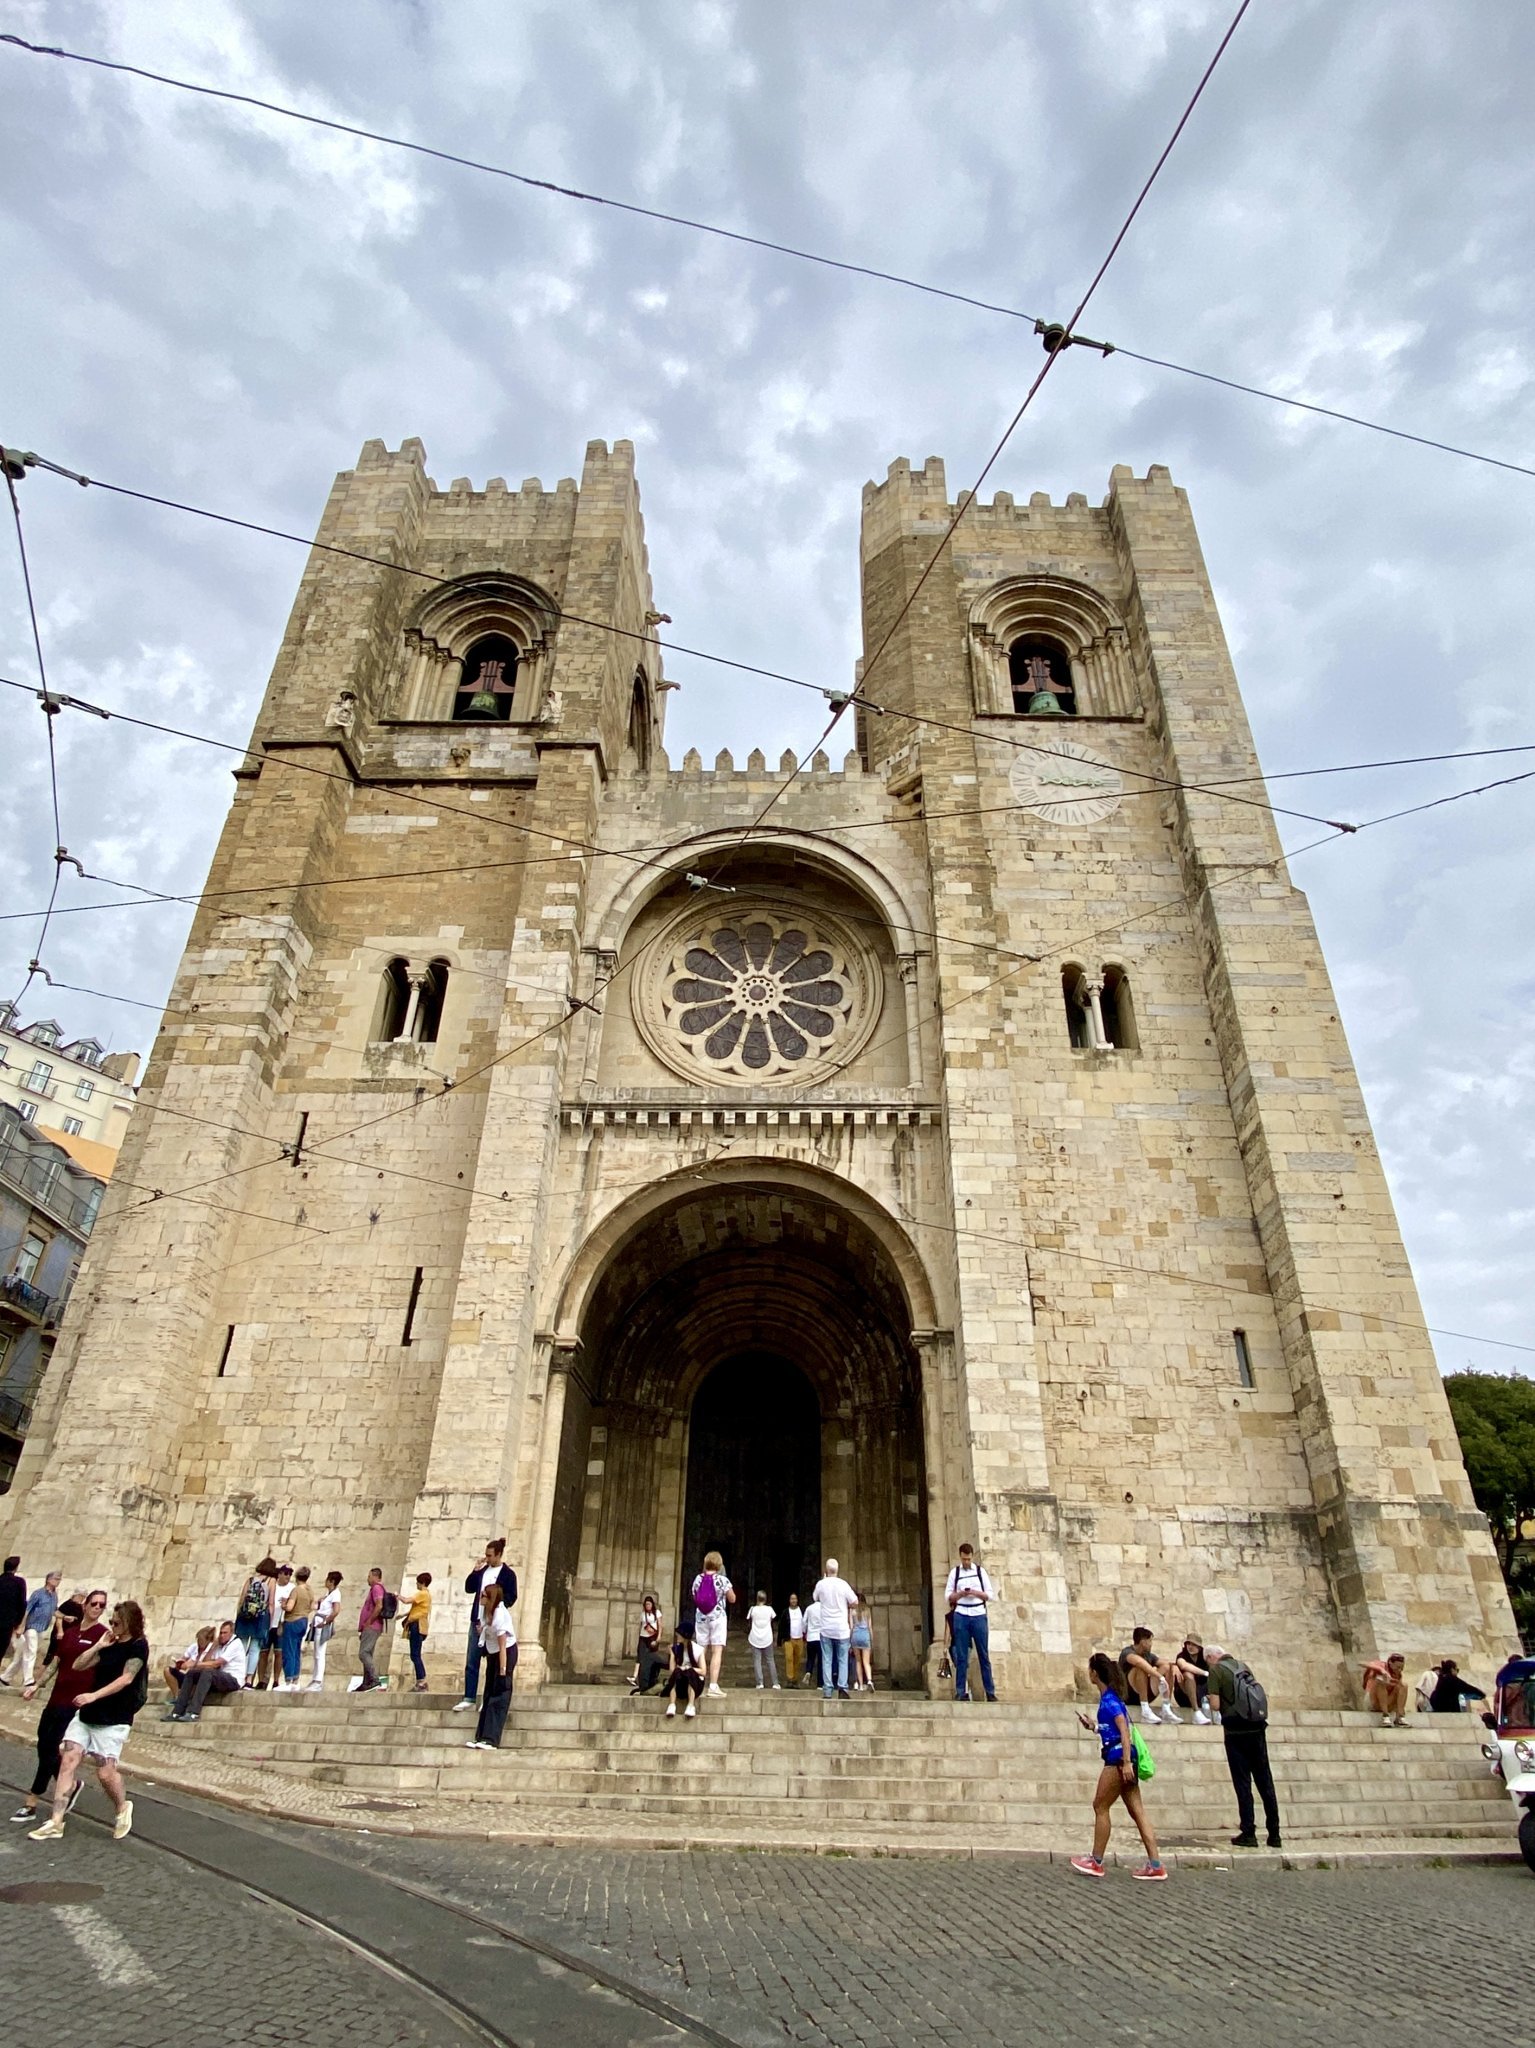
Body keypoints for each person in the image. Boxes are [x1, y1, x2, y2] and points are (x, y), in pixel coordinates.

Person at [29, 1598, 150, 1843]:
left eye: (116, 1623)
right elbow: (77, 1664)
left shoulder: (138, 1646)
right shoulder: (109, 1643)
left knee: (105, 1774)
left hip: (114, 1718)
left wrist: (94, 1695)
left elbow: (127, 1678)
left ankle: (122, 1807)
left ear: (129, 1623)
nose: (112, 1626)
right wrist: (98, 1646)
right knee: (68, 1760)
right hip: (87, 1715)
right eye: (111, 1622)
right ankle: (56, 1821)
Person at [9, 1588, 107, 1826]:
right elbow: (56, 1663)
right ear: (84, 1605)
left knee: (51, 1747)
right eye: (94, 1603)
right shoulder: (71, 1633)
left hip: (76, 1703)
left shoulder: (102, 1635)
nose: (97, 1608)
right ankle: (70, 1785)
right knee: (44, 1745)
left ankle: (31, 1801)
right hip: (56, 1698)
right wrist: (36, 1685)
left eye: (102, 1605)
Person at [1070, 1651, 1167, 1880]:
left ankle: (1096, 1861)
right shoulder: (1113, 1699)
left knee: (1100, 1806)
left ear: (1095, 1674)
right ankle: (1155, 1864)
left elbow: (1124, 1730)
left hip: (1117, 1760)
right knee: (1138, 1811)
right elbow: (1112, 1729)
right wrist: (1093, 1727)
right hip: (1124, 1757)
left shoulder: (1109, 1701)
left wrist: (1125, 1763)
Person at [1205, 1644, 1282, 1849]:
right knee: (1265, 1781)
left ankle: (1248, 1832)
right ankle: (1274, 1834)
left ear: (1211, 1657)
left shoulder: (1216, 1671)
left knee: (1243, 1783)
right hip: (1257, 1729)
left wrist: (1210, 1698)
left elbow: (1215, 1705)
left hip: (1235, 1732)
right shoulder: (1243, 1666)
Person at [454, 1539, 518, 1713]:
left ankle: (488, 1698)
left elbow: (512, 1596)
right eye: (486, 1555)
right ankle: (469, 1697)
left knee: (492, 1663)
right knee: (472, 1660)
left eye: (490, 1555)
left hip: (493, 1624)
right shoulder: (483, 1571)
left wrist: (496, 1606)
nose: (487, 1558)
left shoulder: (508, 1574)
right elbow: (469, 1588)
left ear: (498, 1555)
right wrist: (475, 1571)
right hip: (477, 1621)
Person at [466, 1582, 517, 1750]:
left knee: (499, 1693)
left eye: (483, 1596)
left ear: (490, 1598)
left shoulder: (500, 1615)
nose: (480, 1598)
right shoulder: (486, 1612)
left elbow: (503, 1646)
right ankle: (481, 1736)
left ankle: (491, 1739)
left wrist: (503, 1671)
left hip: (504, 1653)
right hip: (493, 1652)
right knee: (488, 1694)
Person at [945, 1544, 996, 1703]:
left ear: (972, 1556)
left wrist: (975, 1593)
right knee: (961, 1655)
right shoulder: (955, 1573)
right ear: (960, 1557)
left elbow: (989, 1595)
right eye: (964, 1559)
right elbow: (948, 1596)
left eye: (968, 1559)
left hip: (978, 1614)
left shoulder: (980, 1572)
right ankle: (961, 1691)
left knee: (983, 1654)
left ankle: (990, 1691)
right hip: (961, 1614)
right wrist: (960, 1594)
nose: (966, 1562)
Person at [164, 1620, 247, 1720]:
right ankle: (177, 1712)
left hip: (233, 1679)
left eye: (225, 1633)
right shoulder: (219, 1645)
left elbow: (216, 1663)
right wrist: (213, 1647)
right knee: (192, 1673)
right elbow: (208, 1662)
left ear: (231, 1633)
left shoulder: (235, 1644)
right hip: (218, 1677)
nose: (222, 1635)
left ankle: (193, 1713)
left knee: (208, 1672)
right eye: (221, 1633)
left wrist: (195, 1664)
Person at [1, 1569, 60, 1689]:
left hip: (41, 1628)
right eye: (56, 1579)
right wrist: (21, 1626)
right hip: (31, 1627)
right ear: (49, 1580)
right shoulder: (38, 1593)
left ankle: (5, 1677)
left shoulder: (54, 1596)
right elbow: (27, 1610)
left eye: (59, 1579)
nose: (58, 1581)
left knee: (22, 1654)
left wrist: (65, 1617)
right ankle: (28, 1680)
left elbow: (54, 1610)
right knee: (31, 1651)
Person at [691, 1550, 736, 1698]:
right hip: (717, 1617)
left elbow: (694, 1596)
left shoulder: (698, 1578)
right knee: (717, 1651)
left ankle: (696, 1683)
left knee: (701, 1650)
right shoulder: (723, 1580)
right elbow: (732, 1599)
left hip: (701, 1618)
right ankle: (713, 1686)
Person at [812, 1557, 859, 1700]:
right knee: (842, 1659)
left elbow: (815, 1598)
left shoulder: (821, 1584)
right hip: (841, 1628)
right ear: (837, 1570)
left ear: (826, 1570)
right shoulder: (843, 1584)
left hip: (826, 1627)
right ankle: (842, 1687)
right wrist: (846, 1606)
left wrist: (823, 1581)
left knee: (827, 1659)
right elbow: (855, 1601)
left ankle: (827, 1690)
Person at [1118, 1627, 1183, 1724]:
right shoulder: (1127, 1652)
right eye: (1150, 1641)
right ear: (1143, 1642)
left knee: (1167, 1667)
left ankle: (1166, 1708)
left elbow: (1165, 1664)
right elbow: (1138, 1662)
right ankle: (1145, 1710)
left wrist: (1174, 1666)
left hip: (1146, 1693)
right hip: (1128, 1694)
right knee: (1141, 1668)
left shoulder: (1148, 1655)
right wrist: (1160, 1677)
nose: (1151, 1644)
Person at [235, 1556, 277, 1687]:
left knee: (241, 1647)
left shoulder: (250, 1579)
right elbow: (271, 1603)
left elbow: (242, 1599)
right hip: (260, 1617)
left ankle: (238, 1675)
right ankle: (248, 1680)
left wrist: (238, 1615)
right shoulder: (271, 1581)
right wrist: (270, 1622)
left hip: (245, 1616)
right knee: (255, 1649)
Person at [259, 1563, 294, 1688]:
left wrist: (286, 1605)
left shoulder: (292, 1588)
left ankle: (276, 1680)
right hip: (267, 1623)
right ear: (279, 1574)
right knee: (263, 1653)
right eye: (286, 1573)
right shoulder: (272, 1584)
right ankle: (261, 1680)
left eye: (290, 1574)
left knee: (278, 1653)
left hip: (281, 1623)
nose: (288, 1576)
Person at [280, 1565, 315, 1689]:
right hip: (303, 1621)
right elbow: (313, 1606)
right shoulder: (309, 1591)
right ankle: (296, 1679)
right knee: (296, 1651)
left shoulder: (296, 1590)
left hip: (292, 1621)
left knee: (289, 1650)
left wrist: (284, 1605)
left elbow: (289, 1607)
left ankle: (288, 1679)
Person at [307, 1570, 342, 1689]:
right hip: (318, 1623)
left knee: (320, 1653)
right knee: (316, 1652)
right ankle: (315, 1679)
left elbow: (336, 1610)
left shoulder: (336, 1594)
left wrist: (326, 1621)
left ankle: (318, 1680)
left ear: (331, 1581)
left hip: (323, 1624)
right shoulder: (328, 1594)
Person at [661, 1622, 705, 1719]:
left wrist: (688, 1668)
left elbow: (703, 1671)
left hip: (695, 1684)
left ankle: (691, 1705)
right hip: (680, 1684)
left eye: (679, 1634)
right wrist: (672, 1655)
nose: (677, 1635)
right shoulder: (676, 1649)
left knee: (690, 1672)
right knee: (677, 1672)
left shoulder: (698, 1649)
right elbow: (672, 1672)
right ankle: (672, 1705)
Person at [163, 1626, 217, 1701]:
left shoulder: (212, 1650)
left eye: (201, 1640)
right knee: (167, 1670)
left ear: (207, 1640)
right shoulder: (194, 1647)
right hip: (188, 1676)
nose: (199, 1642)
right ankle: (176, 1696)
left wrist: (194, 1664)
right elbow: (184, 1658)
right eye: (198, 1640)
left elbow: (210, 1666)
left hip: (199, 1678)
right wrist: (181, 1663)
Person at [357, 1567, 388, 1691]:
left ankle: (374, 1678)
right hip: (371, 1627)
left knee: (363, 1653)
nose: (368, 1579)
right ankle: (366, 1681)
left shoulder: (376, 1588)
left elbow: (379, 1605)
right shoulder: (375, 1589)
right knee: (367, 1653)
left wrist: (368, 1622)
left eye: (369, 1576)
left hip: (372, 1626)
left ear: (375, 1577)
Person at [400, 1572, 432, 1691]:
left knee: (415, 1655)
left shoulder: (422, 1593)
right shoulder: (427, 1595)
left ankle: (422, 1681)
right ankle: (421, 1681)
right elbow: (417, 1609)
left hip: (417, 1626)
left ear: (422, 1583)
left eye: (418, 1582)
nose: (416, 1584)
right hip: (418, 1626)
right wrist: (404, 1616)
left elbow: (407, 1600)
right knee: (415, 1654)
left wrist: (398, 1596)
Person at [1172, 1635, 1213, 1723]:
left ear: (1199, 1647)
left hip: (1202, 1694)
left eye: (1193, 1644)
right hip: (1184, 1694)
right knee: (1188, 1675)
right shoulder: (1182, 1655)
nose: (1190, 1647)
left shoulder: (1204, 1656)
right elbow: (1183, 1665)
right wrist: (1205, 1673)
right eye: (1188, 1644)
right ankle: (1196, 1712)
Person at [1361, 1652, 1410, 1725]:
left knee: (1404, 1686)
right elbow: (1361, 1663)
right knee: (1380, 1681)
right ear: (1390, 1663)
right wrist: (1381, 1670)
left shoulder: (1398, 1674)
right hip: (1374, 1701)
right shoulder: (1381, 1665)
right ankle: (1385, 1716)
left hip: (1388, 1702)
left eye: (1401, 1668)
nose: (1399, 1670)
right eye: (1398, 1667)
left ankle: (1400, 1716)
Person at [630, 1595, 664, 1695]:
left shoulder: (657, 1613)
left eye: (649, 1604)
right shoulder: (643, 1614)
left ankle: (652, 1678)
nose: (647, 1606)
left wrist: (658, 1637)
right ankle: (635, 1676)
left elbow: (660, 1625)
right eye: (646, 1604)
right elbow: (641, 1625)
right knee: (640, 1656)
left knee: (652, 1657)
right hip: (643, 1637)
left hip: (652, 1637)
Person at [746, 1590, 780, 1689]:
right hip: (767, 1637)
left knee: (757, 1660)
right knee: (770, 1660)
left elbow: (748, 1620)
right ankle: (775, 1683)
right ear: (765, 1599)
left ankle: (759, 1683)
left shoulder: (753, 1609)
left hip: (755, 1637)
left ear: (757, 1598)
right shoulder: (769, 1609)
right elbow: (773, 1619)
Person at [0, 1555, 26, 1681]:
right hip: (7, 1623)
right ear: (15, 1568)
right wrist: (18, 1623)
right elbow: (22, 1603)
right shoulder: (19, 1582)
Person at [849, 1603, 874, 1691]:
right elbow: (869, 1627)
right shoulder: (867, 1611)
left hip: (855, 1636)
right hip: (865, 1636)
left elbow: (851, 1627)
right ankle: (869, 1680)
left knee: (858, 1661)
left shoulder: (852, 1611)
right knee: (866, 1662)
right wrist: (871, 1639)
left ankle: (860, 1685)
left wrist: (850, 1640)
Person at [783, 1593, 805, 1687]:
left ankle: (795, 1679)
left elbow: (805, 1623)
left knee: (797, 1659)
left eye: (795, 1599)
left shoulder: (801, 1611)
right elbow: (782, 1625)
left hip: (799, 1638)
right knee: (789, 1658)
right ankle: (790, 1678)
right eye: (792, 1599)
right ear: (789, 1600)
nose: (793, 1600)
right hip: (789, 1639)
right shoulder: (786, 1612)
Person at [801, 1595, 822, 1687]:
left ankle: (808, 1671)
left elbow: (804, 1621)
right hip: (821, 1637)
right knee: (821, 1661)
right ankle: (820, 1684)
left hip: (811, 1637)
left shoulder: (809, 1608)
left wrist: (804, 1631)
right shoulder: (824, 1608)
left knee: (810, 1658)